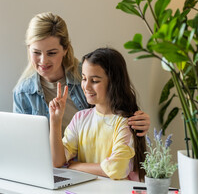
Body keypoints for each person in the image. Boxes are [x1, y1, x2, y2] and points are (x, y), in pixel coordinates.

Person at [13, 12, 150, 135]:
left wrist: (139, 121)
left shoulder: (87, 77)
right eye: (36, 52)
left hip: (92, 158)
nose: (43, 61)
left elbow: (121, 115)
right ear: (28, 49)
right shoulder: (22, 92)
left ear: (65, 49)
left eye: (52, 53)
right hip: (52, 161)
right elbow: (23, 140)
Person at [49, 48, 146, 181]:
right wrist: (55, 122)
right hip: (89, 193)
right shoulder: (80, 118)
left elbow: (116, 169)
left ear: (113, 83)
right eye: (84, 78)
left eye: (94, 81)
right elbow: (57, 162)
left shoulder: (125, 122)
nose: (86, 86)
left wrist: (74, 166)